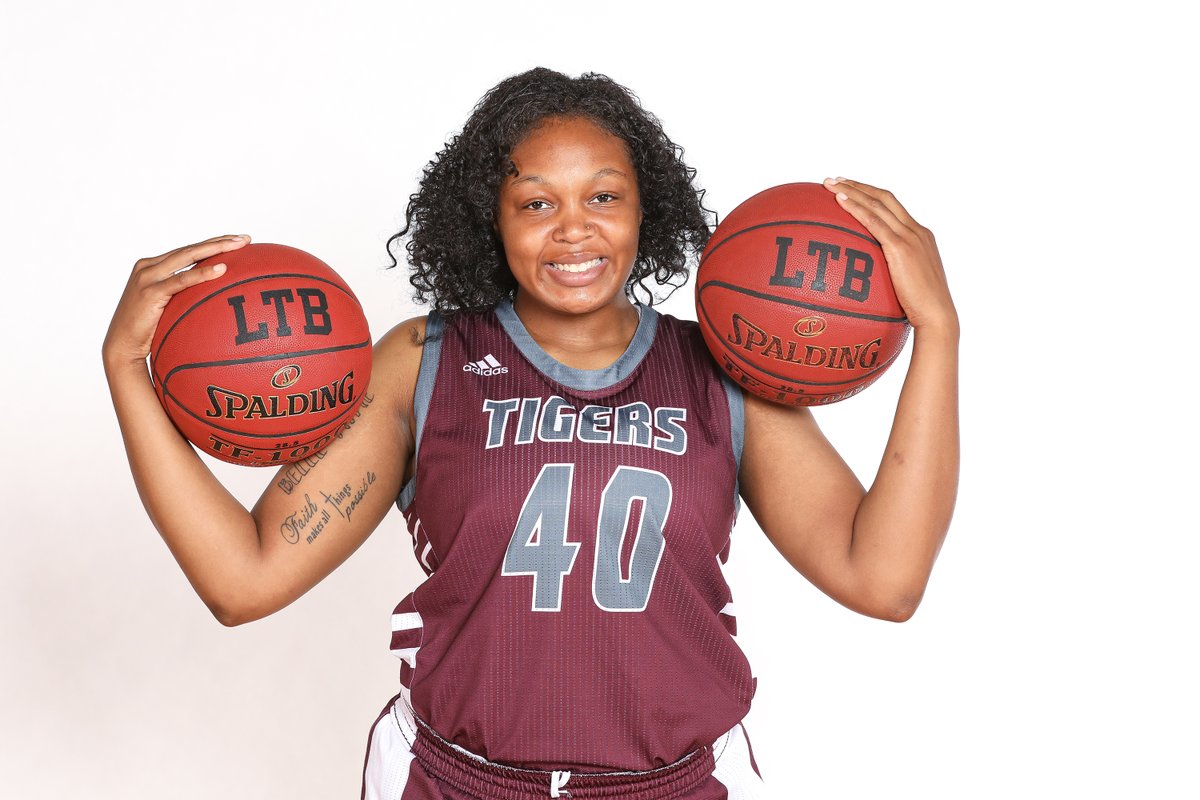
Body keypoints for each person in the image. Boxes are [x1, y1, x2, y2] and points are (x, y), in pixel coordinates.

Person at [103, 68, 958, 800]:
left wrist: (938, 332)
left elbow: (883, 582)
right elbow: (242, 581)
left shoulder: (723, 370)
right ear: (490, 219)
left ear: (643, 208)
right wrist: (126, 371)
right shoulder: (421, 362)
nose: (574, 228)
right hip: (456, 780)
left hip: (675, 783)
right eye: (536, 202)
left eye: (604, 197)